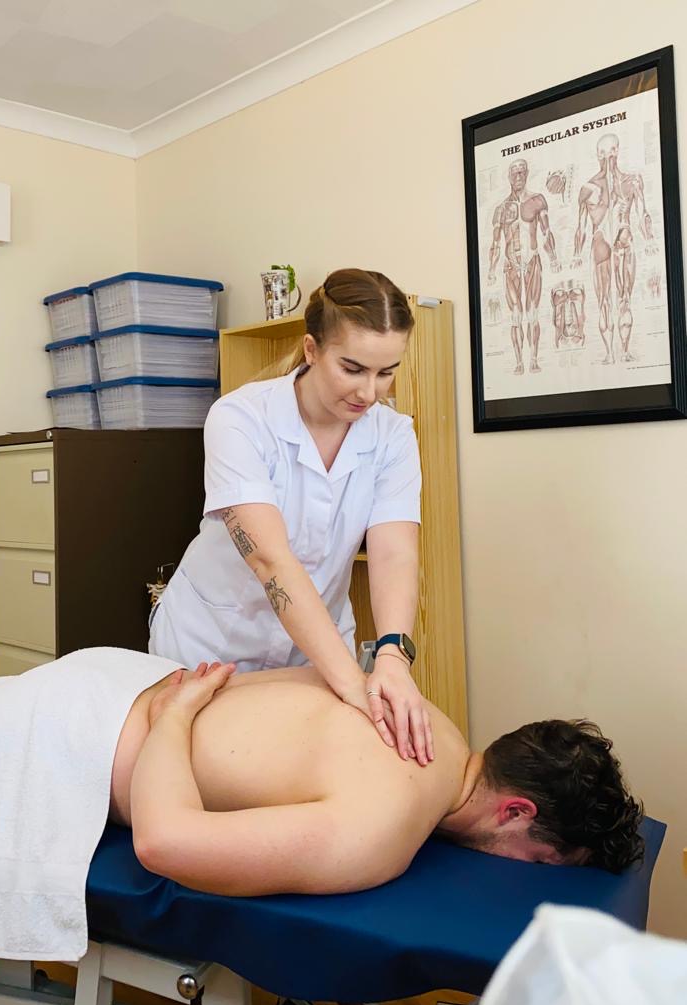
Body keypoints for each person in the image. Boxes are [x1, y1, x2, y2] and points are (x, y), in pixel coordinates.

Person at [150, 268, 431, 762]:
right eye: (353, 368)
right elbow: (271, 562)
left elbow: (394, 553)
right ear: (311, 349)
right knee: (216, 773)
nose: (370, 392)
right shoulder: (240, 419)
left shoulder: (392, 435)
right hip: (211, 643)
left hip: (315, 649)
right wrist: (353, 685)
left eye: (386, 372)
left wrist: (391, 656)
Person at [118, 659, 644, 897]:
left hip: (129, 675)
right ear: (514, 811)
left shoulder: (432, 722)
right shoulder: (381, 829)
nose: (530, 872)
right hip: (83, 739)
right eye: (541, 860)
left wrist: (177, 700)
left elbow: (300, 676)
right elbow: (163, 843)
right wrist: (174, 717)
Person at [571, 133, 657, 364]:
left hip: (624, 241)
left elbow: (642, 212)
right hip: (601, 243)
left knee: (625, 297)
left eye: (611, 150)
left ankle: (624, 351)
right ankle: (610, 353)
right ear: (597, 154)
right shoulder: (588, 188)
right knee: (604, 302)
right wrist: (577, 254)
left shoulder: (632, 181)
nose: (607, 156)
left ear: (617, 151)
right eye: (603, 152)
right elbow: (581, 225)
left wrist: (649, 240)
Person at [487, 158, 561, 374]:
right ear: (509, 176)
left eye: (522, 172)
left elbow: (546, 231)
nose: (518, 176)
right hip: (511, 266)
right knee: (516, 316)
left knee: (533, 313)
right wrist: (491, 270)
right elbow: (495, 243)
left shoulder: (537, 200)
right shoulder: (501, 209)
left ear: (527, 174)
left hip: (532, 262)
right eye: (514, 173)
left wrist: (553, 257)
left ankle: (534, 359)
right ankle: (519, 361)